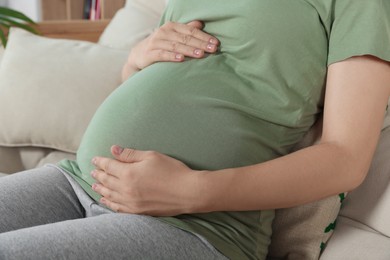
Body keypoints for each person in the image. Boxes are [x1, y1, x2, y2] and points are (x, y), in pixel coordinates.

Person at [1, 1, 390, 259]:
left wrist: (191, 190)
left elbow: (345, 157)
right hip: (81, 179)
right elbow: (156, 83)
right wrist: (136, 60)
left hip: (196, 226)